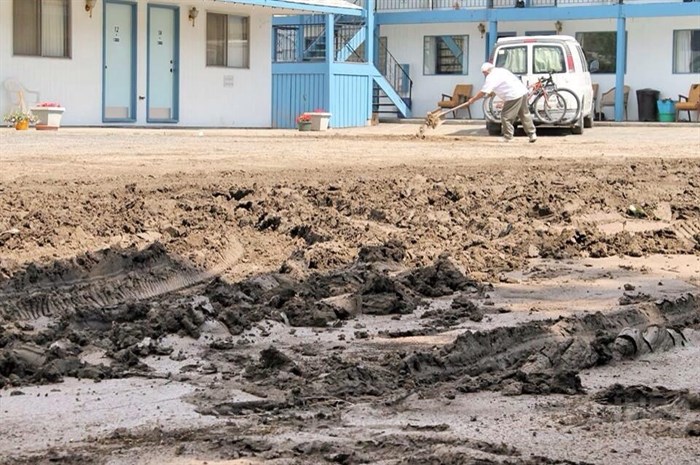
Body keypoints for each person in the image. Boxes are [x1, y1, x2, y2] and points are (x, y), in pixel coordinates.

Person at [466, 62, 537, 143]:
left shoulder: (491, 77)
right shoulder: (501, 71)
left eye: (484, 73)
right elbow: (503, 85)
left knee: (506, 117)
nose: (484, 75)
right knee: (524, 114)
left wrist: (473, 99)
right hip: (522, 92)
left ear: (487, 71)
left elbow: (483, 92)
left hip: (513, 96)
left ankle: (508, 136)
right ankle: (532, 134)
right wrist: (492, 93)